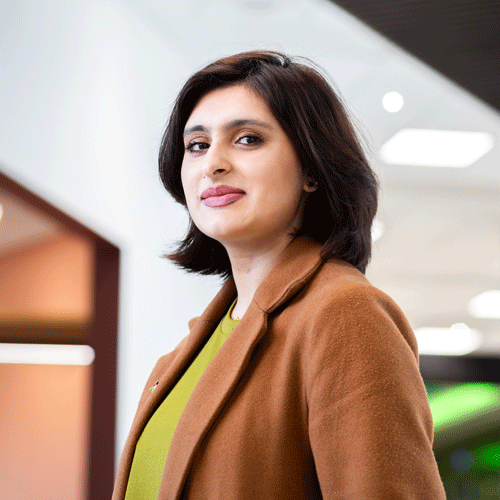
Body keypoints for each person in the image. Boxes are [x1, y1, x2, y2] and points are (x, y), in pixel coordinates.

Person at [112, 51, 446, 499]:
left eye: (247, 139)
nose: (213, 163)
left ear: (311, 168)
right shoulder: (182, 357)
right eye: (197, 145)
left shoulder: (344, 314)